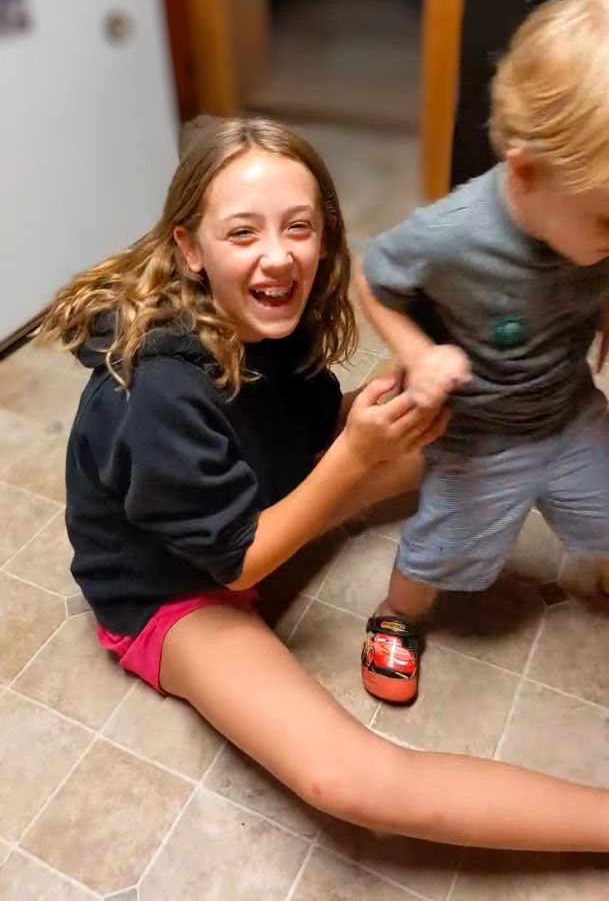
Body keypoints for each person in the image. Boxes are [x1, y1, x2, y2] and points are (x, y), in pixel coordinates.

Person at [42, 115, 609, 853]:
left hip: (261, 493)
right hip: (173, 590)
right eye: (242, 232)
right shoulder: (155, 392)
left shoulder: (278, 313)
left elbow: (307, 426)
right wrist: (354, 456)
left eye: (299, 227)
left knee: (478, 427)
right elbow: (240, 562)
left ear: (325, 234)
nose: (278, 256)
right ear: (189, 248)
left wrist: (407, 390)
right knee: (347, 781)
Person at [358, 0, 609, 706]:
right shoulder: (450, 234)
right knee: (444, 543)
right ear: (527, 173)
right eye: (608, 221)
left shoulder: (586, 212)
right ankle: (396, 617)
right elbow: (371, 280)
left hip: (569, 410)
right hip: (482, 433)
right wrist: (417, 354)